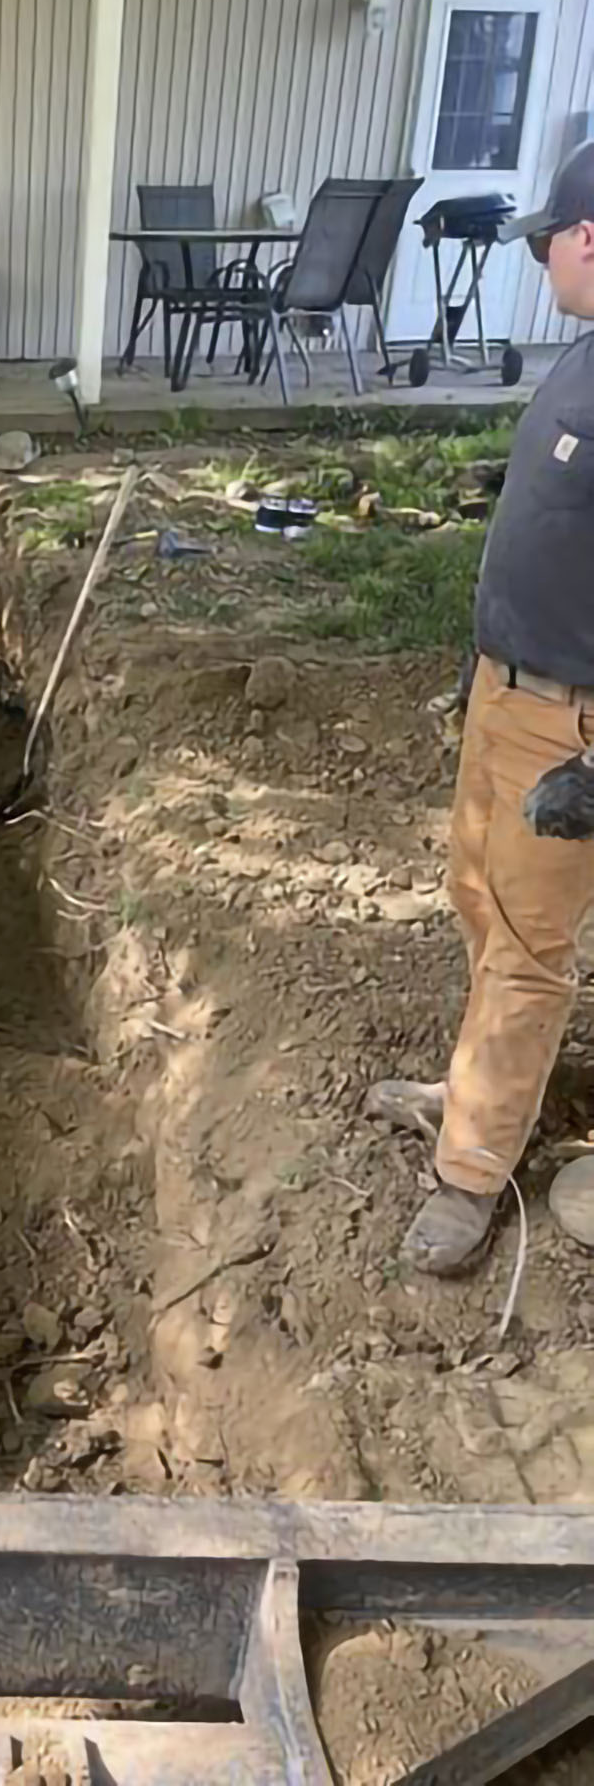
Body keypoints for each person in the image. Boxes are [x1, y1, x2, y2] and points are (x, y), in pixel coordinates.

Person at [370, 140, 594, 1275]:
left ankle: (471, 1174)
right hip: (511, 691)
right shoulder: (584, 355)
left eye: (547, 239)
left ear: (588, 237)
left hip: (578, 729)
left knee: (525, 951)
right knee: (476, 895)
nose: (540, 258)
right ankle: (473, 1094)